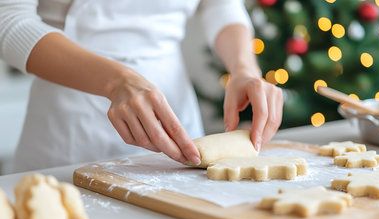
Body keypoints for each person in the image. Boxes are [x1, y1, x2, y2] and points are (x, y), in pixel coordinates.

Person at [0, 0, 283, 173]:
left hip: (174, 109)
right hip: (67, 126)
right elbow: (8, 19)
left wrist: (244, 69)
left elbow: (220, 5)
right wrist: (117, 80)